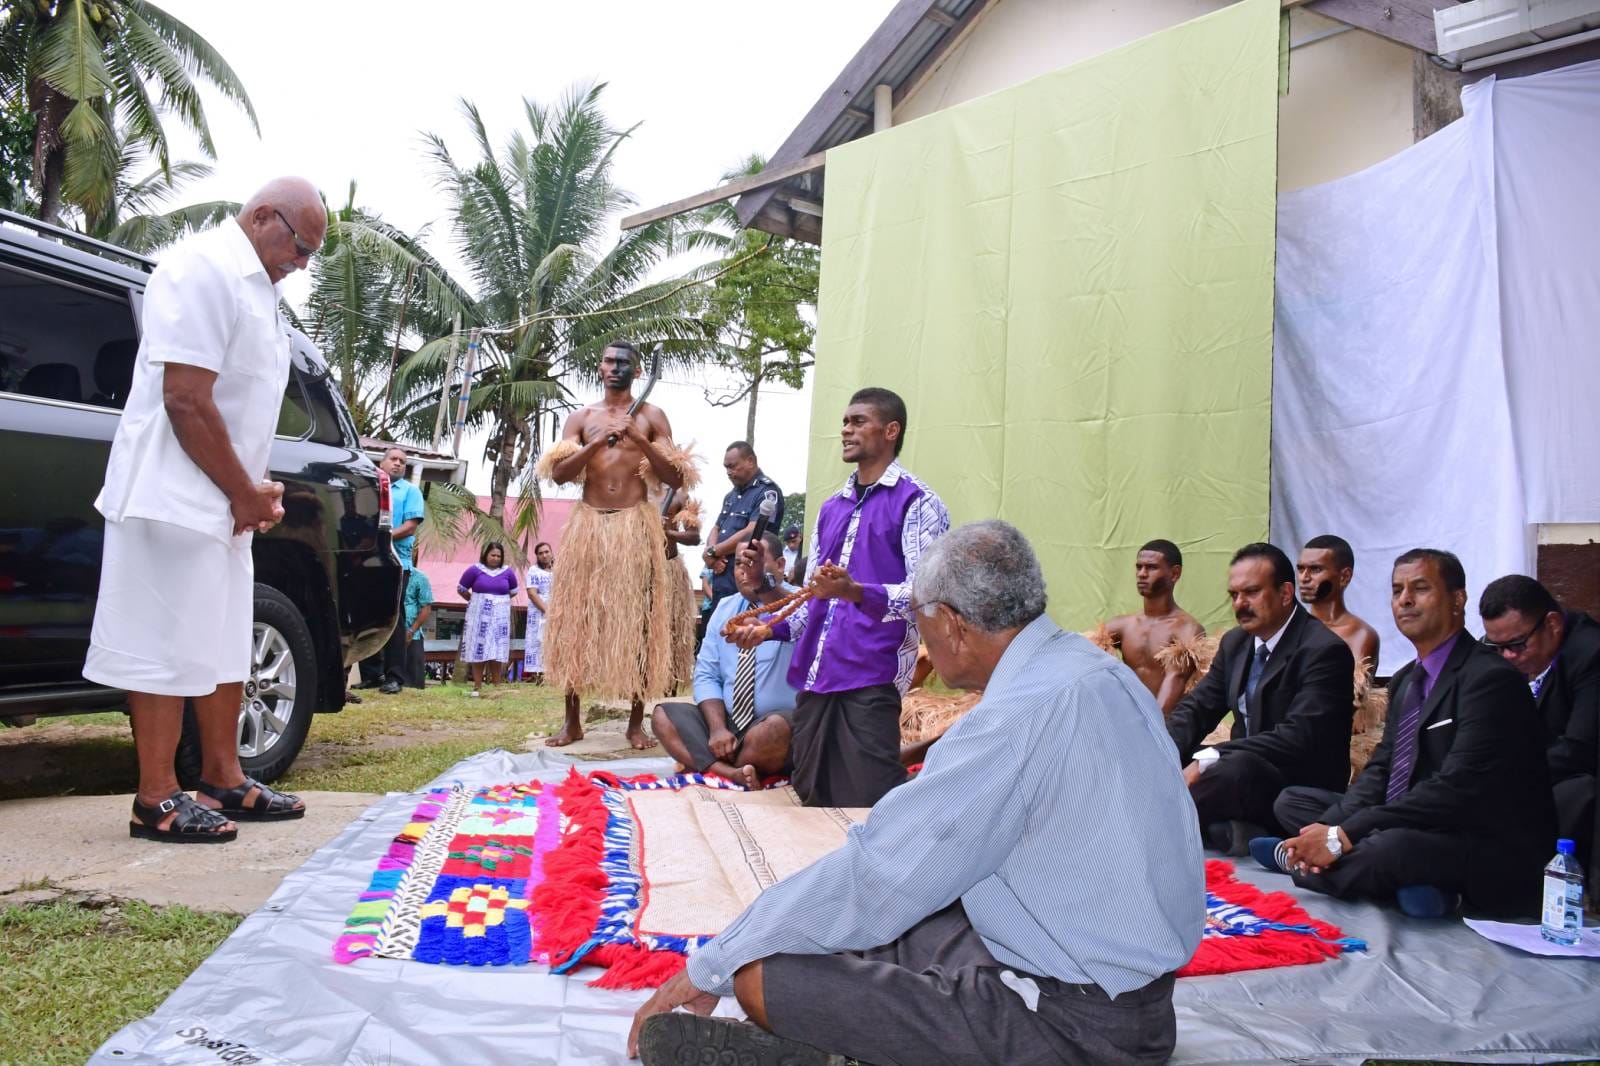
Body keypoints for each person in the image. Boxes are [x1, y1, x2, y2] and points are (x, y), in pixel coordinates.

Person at [629, 522, 1205, 1066]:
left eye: (920, 624)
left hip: (1076, 1028)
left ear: (951, 624)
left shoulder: (1014, 721)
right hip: (1138, 1003)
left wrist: (709, 966)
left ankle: (841, 1043)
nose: (919, 639)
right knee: (891, 917)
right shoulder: (1095, 672)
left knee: (761, 975)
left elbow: (876, 873)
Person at [84, 177, 323, 842]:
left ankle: (223, 777)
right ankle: (156, 797)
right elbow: (185, 398)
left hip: (220, 500)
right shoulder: (201, 268)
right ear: (264, 215)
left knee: (219, 641)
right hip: (170, 493)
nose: (301, 265)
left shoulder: (259, 290)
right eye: (299, 247)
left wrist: (254, 486)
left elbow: (244, 406)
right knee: (162, 643)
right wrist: (243, 491)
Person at [1261, 549, 1556, 918]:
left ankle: (1300, 864)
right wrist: (1328, 826)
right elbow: (1383, 769)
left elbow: (1455, 788)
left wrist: (1343, 836)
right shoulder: (1406, 680)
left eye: (1420, 588)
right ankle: (1416, 886)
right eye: (1397, 589)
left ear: (1457, 599)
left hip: (1477, 837)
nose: (1405, 599)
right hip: (1417, 819)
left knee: (1392, 846)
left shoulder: (1490, 680)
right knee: (1294, 802)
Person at [729, 387, 950, 808]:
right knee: (813, 795)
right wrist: (766, 628)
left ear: (890, 430)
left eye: (858, 421)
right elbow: (816, 601)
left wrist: (855, 591)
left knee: (870, 800)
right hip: (818, 674)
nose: (846, 429)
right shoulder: (831, 507)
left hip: (873, 672)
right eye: (845, 422)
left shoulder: (918, 502)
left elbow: (928, 594)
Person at [535, 340, 696, 748]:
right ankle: (571, 721)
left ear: (637, 371)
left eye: (624, 362)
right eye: (609, 361)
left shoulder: (652, 416)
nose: (615, 367)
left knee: (640, 622)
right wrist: (595, 442)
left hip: (634, 525)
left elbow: (676, 479)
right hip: (588, 525)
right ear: (600, 366)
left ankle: (635, 724)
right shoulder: (582, 417)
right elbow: (559, 475)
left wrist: (638, 440)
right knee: (575, 621)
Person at [1166, 542, 1355, 854]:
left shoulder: (1323, 650)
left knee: (1230, 766)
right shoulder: (1236, 642)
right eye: (1234, 595)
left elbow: (1298, 738)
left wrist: (1213, 757)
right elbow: (1198, 708)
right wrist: (1163, 752)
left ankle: (1153, 823)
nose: (1240, 604)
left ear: (1284, 593)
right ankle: (1233, 830)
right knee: (1187, 754)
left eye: (1251, 592)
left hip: (1294, 783)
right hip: (1243, 772)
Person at [653, 532, 798, 789]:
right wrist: (718, 729)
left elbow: (799, 621)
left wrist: (765, 588)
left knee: (775, 730)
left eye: (755, 562)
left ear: (780, 565)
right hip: (729, 723)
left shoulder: (801, 602)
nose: (746, 572)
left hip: (773, 725)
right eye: (741, 564)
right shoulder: (725, 608)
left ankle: (712, 766)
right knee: (663, 716)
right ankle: (732, 773)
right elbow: (707, 674)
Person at [1480, 574, 1599, 871]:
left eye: (1517, 645)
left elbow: (1579, 749)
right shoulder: (1511, 655)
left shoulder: (1591, 654)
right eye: (1497, 647)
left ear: (1553, 625)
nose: (1507, 657)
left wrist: (1506, 774)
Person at [1100, 539, 1207, 714]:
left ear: (1175, 573)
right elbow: (1083, 663)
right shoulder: (1121, 625)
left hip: (1167, 728)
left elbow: (1176, 679)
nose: (1142, 574)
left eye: (1151, 567)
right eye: (1139, 567)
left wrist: (1151, 731)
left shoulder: (1187, 629)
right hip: (1127, 719)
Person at [362, 447, 427, 692]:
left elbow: (410, 526)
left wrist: (381, 537)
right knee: (367, 615)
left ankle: (395, 676)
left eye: (402, 461)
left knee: (394, 617)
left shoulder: (410, 492)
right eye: (393, 459)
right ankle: (371, 674)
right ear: (383, 461)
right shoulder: (368, 487)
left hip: (397, 562)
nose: (398, 464)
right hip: (368, 561)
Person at [702, 441, 782, 610]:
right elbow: (716, 527)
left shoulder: (767, 491)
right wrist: (710, 554)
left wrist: (715, 552)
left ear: (750, 461)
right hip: (722, 578)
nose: (728, 472)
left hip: (749, 582)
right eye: (726, 468)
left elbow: (754, 531)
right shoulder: (731, 496)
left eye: (732, 466)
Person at [1297, 534, 1380, 677]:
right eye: (1300, 569)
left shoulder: (1360, 634)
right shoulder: (1290, 627)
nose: (1304, 578)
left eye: (1315, 569)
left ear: (1344, 576)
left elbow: (1354, 693)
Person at [457, 542, 518, 698]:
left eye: (498, 556)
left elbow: (513, 591)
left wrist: (498, 601)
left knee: (497, 649)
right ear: (486, 555)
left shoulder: (508, 572)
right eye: (493, 555)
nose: (495, 558)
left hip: (500, 616)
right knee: (479, 648)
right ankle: (478, 685)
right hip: (479, 615)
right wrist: (475, 600)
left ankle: (496, 684)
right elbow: (461, 588)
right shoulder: (474, 570)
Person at [659, 490, 703, 691]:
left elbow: (694, 536)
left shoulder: (679, 496)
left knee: (672, 627)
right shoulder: (633, 487)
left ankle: (671, 682)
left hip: (669, 569)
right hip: (637, 570)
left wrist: (668, 532)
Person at [523, 542, 554, 684]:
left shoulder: (558, 570)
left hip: (558, 610)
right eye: (540, 553)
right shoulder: (534, 571)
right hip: (539, 612)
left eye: (547, 552)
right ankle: (539, 676)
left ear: (552, 553)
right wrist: (548, 611)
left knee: (554, 642)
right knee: (538, 642)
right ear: (537, 556)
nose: (544, 555)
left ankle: (554, 675)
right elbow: (532, 593)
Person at [401, 565, 434, 689]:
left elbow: (426, 607)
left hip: (412, 635)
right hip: (388, 634)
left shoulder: (420, 577)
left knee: (413, 683)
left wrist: (411, 630)